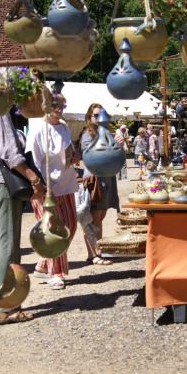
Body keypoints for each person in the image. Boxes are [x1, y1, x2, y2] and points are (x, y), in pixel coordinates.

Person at [0, 108, 45, 324]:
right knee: (7, 243)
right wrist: (34, 179)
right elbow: (10, 153)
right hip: (2, 182)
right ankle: (7, 306)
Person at [27, 94, 78, 290]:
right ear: (45, 106)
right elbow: (35, 160)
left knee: (71, 225)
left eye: (61, 105)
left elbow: (68, 152)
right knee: (54, 230)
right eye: (55, 105)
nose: (59, 108)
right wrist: (41, 187)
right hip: (47, 189)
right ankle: (55, 273)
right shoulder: (38, 129)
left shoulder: (64, 126)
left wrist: (75, 157)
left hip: (66, 184)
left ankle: (43, 262)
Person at [78, 103, 120, 266]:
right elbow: (91, 156)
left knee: (100, 217)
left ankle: (98, 250)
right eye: (96, 115)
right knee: (93, 218)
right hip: (95, 179)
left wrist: (118, 144)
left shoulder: (104, 132)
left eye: (102, 115)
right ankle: (93, 254)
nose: (99, 118)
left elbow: (114, 155)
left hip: (106, 178)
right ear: (89, 117)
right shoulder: (87, 134)